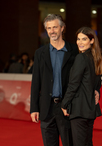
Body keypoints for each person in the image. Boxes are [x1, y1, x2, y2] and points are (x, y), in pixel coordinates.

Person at [30, 14, 78, 146]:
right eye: (49, 28)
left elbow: (84, 75)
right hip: (46, 108)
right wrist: (34, 108)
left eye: (55, 27)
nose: (52, 31)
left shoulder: (74, 50)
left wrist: (96, 89)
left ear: (62, 28)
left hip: (67, 107)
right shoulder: (40, 53)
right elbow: (36, 82)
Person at [61, 27, 102, 146]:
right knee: (87, 143)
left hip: (79, 109)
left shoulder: (81, 58)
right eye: (78, 39)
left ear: (91, 41)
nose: (80, 42)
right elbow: (98, 81)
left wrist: (64, 103)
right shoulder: (95, 58)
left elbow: (73, 84)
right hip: (90, 109)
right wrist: (96, 90)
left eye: (84, 39)